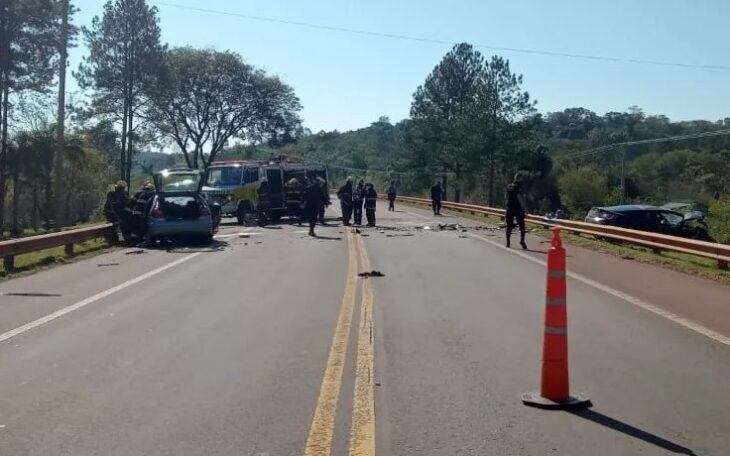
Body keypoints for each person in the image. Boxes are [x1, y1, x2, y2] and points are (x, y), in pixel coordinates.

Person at [505, 172, 529, 250]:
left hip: (509, 208)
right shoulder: (519, 187)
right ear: (519, 179)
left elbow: (506, 197)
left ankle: (508, 241)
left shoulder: (509, 186)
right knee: (522, 226)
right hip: (518, 209)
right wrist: (525, 209)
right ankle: (522, 240)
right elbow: (520, 198)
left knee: (509, 226)